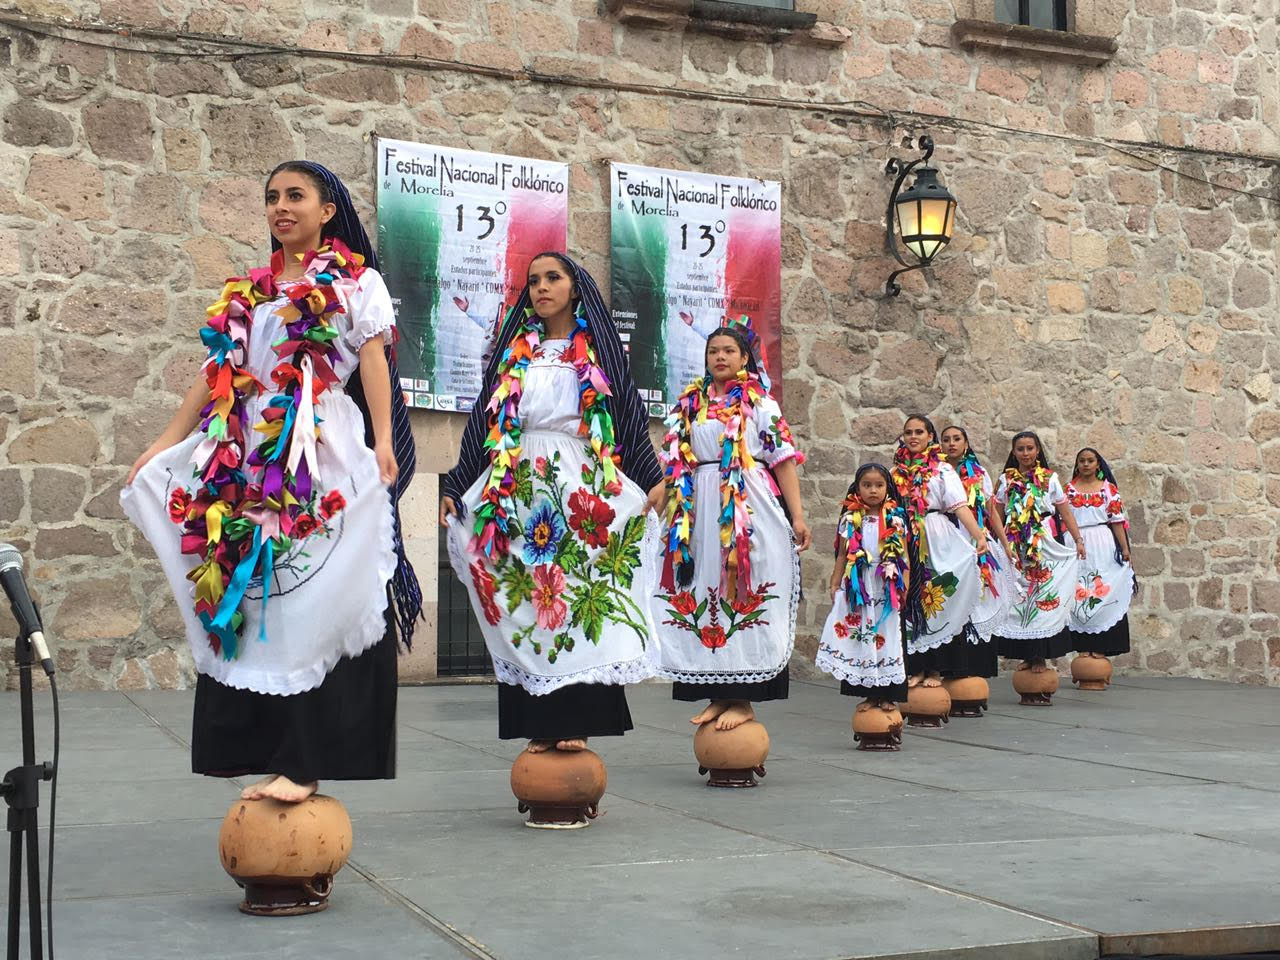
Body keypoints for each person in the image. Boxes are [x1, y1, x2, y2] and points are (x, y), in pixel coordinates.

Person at [122, 161, 420, 803]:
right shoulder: (248, 293)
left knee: (316, 596)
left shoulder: (357, 283)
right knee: (259, 600)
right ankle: (263, 748)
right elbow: (217, 374)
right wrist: (165, 441)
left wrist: (384, 441)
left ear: (327, 211)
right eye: (271, 198)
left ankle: (308, 760)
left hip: (319, 446)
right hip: (246, 453)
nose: (281, 207)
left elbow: (373, 360)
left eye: (295, 196)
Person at [440, 253, 664, 754]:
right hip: (518, 486)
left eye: (553, 278)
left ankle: (579, 719)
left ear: (575, 287)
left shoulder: (598, 351)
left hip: (581, 486)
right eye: (534, 280)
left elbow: (626, 410)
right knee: (528, 600)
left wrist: (650, 475)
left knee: (580, 597)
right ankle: (537, 722)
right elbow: (484, 419)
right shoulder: (515, 352)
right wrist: (457, 483)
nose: (541, 287)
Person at [653, 321, 811, 731]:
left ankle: (743, 700)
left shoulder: (760, 404)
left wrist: (797, 515)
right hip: (698, 511)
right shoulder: (690, 405)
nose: (719, 357)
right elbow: (675, 465)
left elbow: (783, 460)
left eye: (728, 351)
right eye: (713, 351)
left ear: (744, 358)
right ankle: (718, 695)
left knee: (742, 589)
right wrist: (656, 500)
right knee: (703, 591)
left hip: (746, 507)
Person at [891, 415, 987, 688]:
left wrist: (979, 535)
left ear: (930, 436)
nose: (913, 437)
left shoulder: (942, 469)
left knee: (938, 597)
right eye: (909, 432)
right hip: (905, 535)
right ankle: (916, 666)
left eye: (919, 432)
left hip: (936, 533)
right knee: (912, 599)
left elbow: (959, 506)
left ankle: (936, 668)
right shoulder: (895, 471)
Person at [815, 463, 909, 713]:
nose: (873, 490)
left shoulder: (895, 518)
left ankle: (889, 695)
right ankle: (869, 693)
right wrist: (835, 583)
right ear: (857, 489)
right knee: (863, 637)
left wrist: (905, 583)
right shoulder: (850, 519)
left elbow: (904, 555)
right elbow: (842, 554)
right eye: (867, 485)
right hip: (859, 585)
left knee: (887, 637)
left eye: (879, 485)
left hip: (886, 584)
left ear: (888, 488)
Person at [991, 431, 1086, 673]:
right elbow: (996, 514)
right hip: (1014, 541)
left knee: (1042, 591)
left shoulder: (1049, 478)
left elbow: (1065, 512)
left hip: (1042, 540)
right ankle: (1025, 654)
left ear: (1038, 451)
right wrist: (995, 542)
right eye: (1020, 449)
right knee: (1020, 594)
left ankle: (1039, 656)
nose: (1025, 453)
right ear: (1014, 452)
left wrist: (1078, 539)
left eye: (1030, 448)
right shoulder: (1005, 480)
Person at [938, 425, 1015, 683]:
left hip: (974, 539)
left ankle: (975, 666)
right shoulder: (935, 472)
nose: (951, 443)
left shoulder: (978, 474)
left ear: (966, 443)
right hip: (946, 541)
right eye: (946, 439)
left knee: (979, 598)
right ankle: (949, 665)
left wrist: (1004, 543)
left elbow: (991, 510)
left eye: (956, 439)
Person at [1063, 447, 1134, 663]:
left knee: (1103, 589)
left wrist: (1124, 549)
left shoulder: (1108, 489)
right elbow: (1061, 518)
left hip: (1102, 541)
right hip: (1075, 542)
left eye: (1090, 460)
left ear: (1097, 464)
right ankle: (1081, 645)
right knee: (1077, 592)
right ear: (1077, 464)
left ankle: (1102, 644)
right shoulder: (1068, 490)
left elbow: (1117, 521)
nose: (1086, 464)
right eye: (1082, 461)